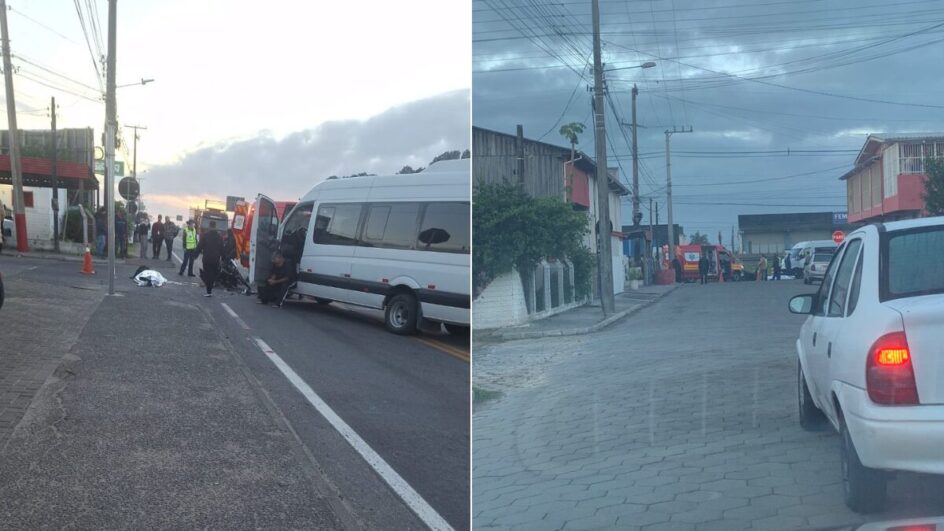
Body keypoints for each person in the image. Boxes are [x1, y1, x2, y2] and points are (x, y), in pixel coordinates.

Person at [194, 220, 223, 297]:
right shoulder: (219, 237)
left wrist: (195, 255)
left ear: (209, 226)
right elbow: (222, 248)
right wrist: (223, 257)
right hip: (216, 259)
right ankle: (210, 287)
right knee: (213, 274)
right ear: (215, 226)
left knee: (207, 274)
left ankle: (209, 290)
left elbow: (200, 246)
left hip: (207, 258)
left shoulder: (205, 235)